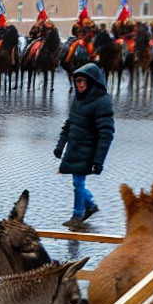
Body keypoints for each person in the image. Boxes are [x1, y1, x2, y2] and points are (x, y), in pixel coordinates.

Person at [54, 63, 115, 228]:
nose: (80, 85)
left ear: (91, 82)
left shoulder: (102, 102)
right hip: (75, 149)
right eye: (77, 81)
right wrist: (60, 146)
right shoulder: (78, 99)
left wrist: (98, 161)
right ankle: (90, 205)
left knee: (78, 183)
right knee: (77, 183)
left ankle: (77, 215)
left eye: (83, 81)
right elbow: (69, 124)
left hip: (88, 151)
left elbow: (106, 134)